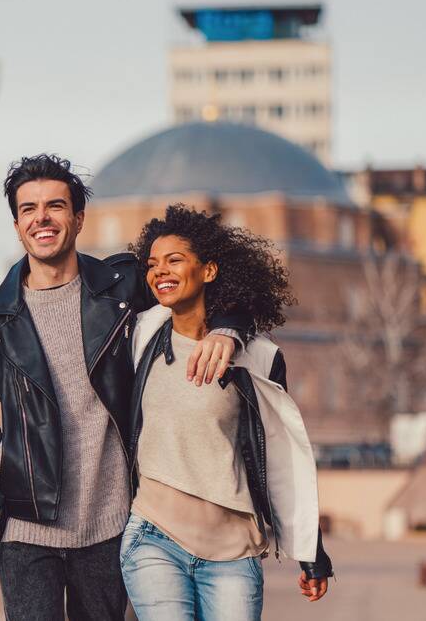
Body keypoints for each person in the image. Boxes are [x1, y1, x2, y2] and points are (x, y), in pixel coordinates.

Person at [0, 155, 252, 621]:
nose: (42, 218)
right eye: (29, 209)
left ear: (78, 218)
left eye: (55, 206)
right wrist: (1, 461)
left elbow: (213, 286)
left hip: (111, 525)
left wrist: (227, 328)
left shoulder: (123, 286)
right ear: (17, 225)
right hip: (28, 531)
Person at [120, 204, 333, 620]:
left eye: (175, 260)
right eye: (152, 264)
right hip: (153, 537)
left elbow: (281, 455)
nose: (160, 271)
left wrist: (311, 551)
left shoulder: (258, 356)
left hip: (234, 552)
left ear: (209, 271)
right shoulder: (139, 334)